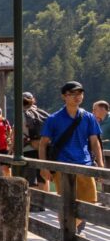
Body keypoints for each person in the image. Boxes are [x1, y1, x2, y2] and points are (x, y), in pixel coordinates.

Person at [37, 82, 102, 220]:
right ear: (64, 96)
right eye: (72, 94)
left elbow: (95, 142)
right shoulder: (54, 119)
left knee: (91, 202)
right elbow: (43, 144)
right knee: (66, 203)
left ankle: (70, 231)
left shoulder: (88, 117)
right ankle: (68, 235)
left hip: (85, 165)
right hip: (62, 166)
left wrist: (100, 164)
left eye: (80, 93)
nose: (77, 97)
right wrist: (44, 167)